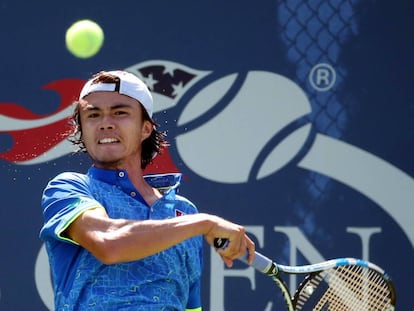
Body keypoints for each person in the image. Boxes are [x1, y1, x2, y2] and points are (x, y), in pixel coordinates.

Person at [39, 70, 255, 311]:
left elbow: (190, 306)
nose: (105, 123)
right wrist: (203, 224)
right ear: (82, 128)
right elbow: (108, 243)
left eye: (120, 112)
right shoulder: (69, 187)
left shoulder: (184, 212)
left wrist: (198, 222)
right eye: (93, 115)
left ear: (145, 128)